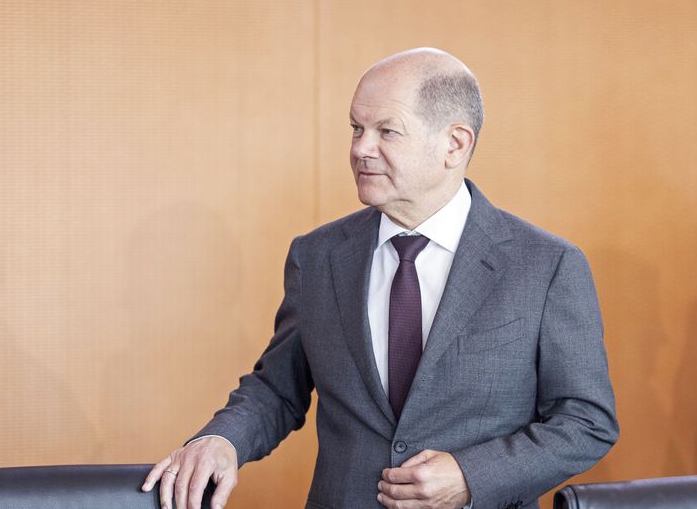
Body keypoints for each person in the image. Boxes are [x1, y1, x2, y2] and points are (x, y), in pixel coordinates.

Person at [142, 47, 618, 509]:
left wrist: (471, 477)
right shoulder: (318, 256)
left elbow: (585, 422)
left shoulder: (547, 265)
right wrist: (221, 440)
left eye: (386, 131)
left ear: (454, 144)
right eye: (356, 128)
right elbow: (278, 387)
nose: (359, 149)